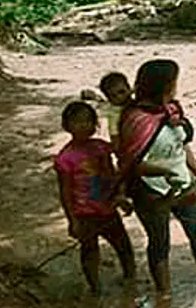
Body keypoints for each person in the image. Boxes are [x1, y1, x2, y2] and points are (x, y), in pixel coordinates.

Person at [117, 59, 196, 294]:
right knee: (160, 243)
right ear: (164, 85)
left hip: (183, 186)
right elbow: (133, 165)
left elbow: (181, 147)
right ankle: (164, 294)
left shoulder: (172, 110)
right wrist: (165, 171)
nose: (176, 86)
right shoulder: (135, 119)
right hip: (149, 191)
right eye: (174, 82)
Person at [54, 101, 136, 294]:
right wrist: (72, 220)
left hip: (108, 209)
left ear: (95, 124)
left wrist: (121, 196)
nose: (83, 126)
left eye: (88, 121)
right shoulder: (65, 159)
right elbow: (65, 191)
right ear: (67, 126)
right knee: (89, 251)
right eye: (77, 122)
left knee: (123, 245)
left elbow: (113, 173)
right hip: (85, 213)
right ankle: (94, 286)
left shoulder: (102, 148)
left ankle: (130, 278)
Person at [99, 72, 132, 150]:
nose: (120, 97)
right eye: (113, 96)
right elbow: (115, 135)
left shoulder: (137, 102)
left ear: (129, 88)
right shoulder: (115, 114)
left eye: (122, 92)